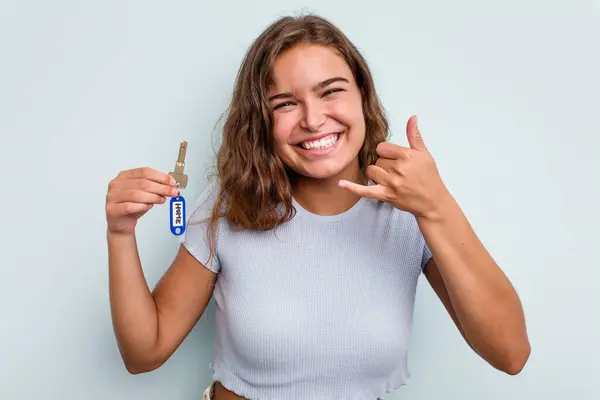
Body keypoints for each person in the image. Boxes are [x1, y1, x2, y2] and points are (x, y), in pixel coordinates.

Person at [105, 13, 530, 400]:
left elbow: (511, 354)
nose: (312, 119)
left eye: (331, 92)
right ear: (262, 122)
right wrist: (120, 234)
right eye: (285, 103)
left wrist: (437, 207)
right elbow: (145, 352)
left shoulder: (411, 210)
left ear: (362, 95)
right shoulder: (227, 206)